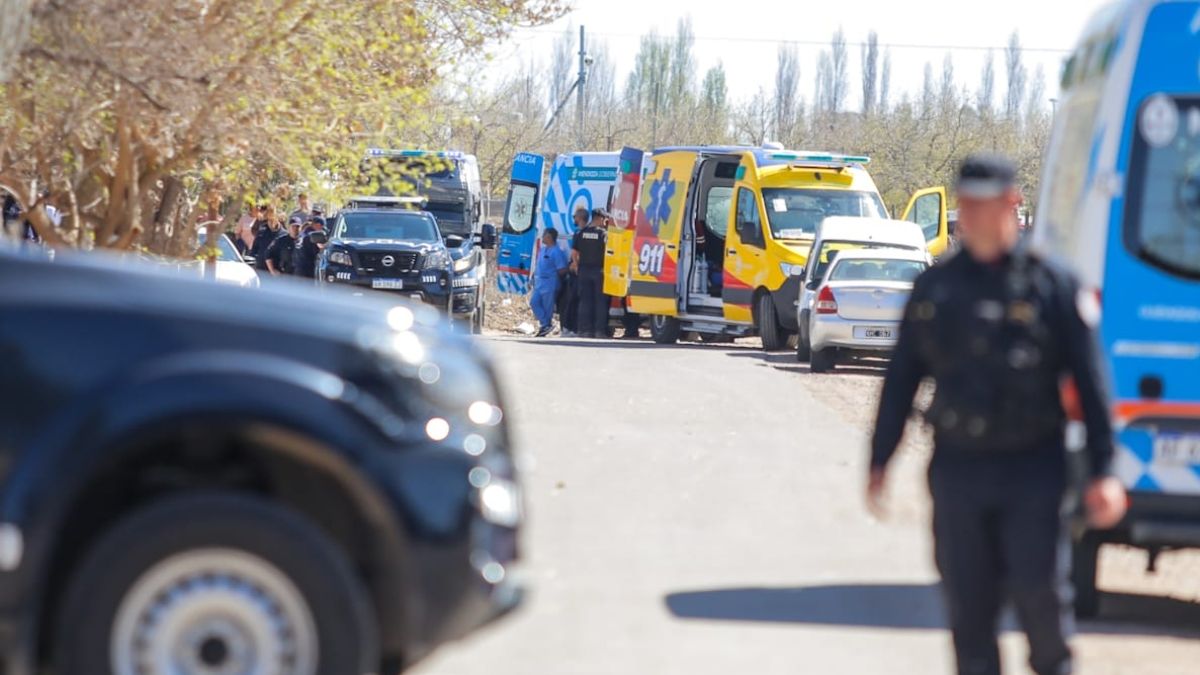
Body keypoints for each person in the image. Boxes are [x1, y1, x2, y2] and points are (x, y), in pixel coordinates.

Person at [868, 154, 1127, 675]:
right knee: (969, 612)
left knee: (1040, 598)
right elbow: (901, 380)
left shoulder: (1052, 286)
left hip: (1033, 467)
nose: (971, 216)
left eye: (983, 205)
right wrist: (880, 460)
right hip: (959, 468)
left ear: (1011, 204)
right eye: (965, 205)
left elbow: (1094, 385)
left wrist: (1105, 472)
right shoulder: (936, 288)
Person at [572, 207, 609, 338]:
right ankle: (599, 331)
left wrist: (576, 266)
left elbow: (575, 252)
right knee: (600, 302)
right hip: (599, 271)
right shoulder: (603, 234)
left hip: (584, 271)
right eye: (605, 219)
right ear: (599, 218)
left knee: (585, 301)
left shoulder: (582, 233)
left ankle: (584, 330)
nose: (605, 222)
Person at [531, 228, 569, 337]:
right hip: (539, 283)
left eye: (544, 235)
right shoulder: (543, 250)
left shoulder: (556, 252)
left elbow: (562, 269)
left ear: (549, 237)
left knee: (548, 307)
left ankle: (546, 325)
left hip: (550, 283)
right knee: (534, 302)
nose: (542, 237)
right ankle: (545, 324)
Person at [248, 204, 279, 271]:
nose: (270, 215)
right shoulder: (261, 226)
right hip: (261, 265)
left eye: (272, 212)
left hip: (276, 267)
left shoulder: (280, 229)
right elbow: (254, 249)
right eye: (268, 212)